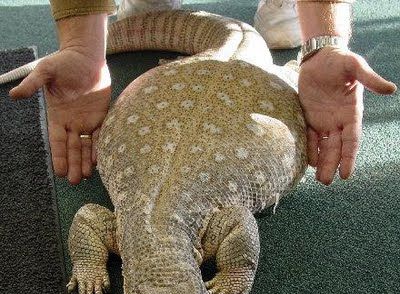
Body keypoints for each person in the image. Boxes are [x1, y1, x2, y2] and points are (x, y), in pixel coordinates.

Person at [9, 0, 396, 186]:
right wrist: (83, 47)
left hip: (258, 64)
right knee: (149, 10)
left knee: (284, 32)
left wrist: (323, 41)